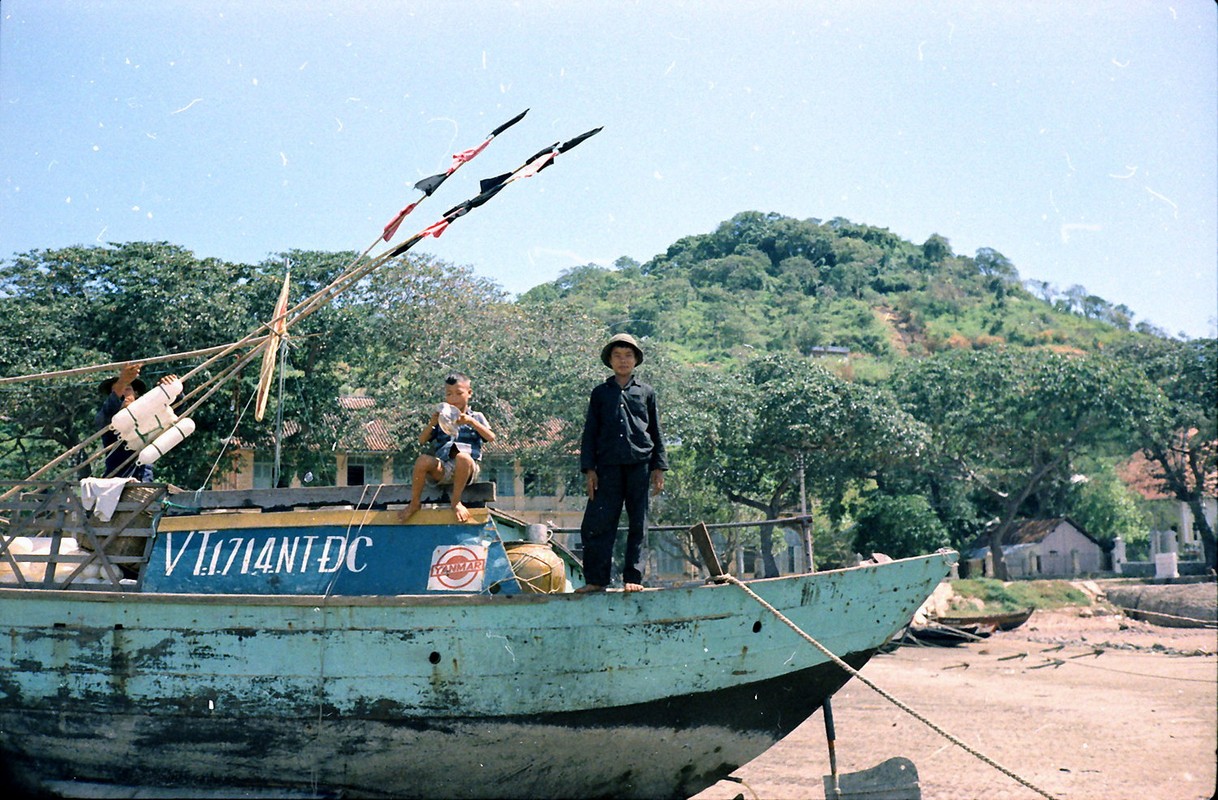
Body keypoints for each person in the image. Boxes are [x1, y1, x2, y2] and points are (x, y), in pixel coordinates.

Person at [577, 333, 667, 593]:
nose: (623, 360)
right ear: (610, 360)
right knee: (598, 523)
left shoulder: (646, 392)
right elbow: (590, 433)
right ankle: (596, 580)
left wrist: (658, 468)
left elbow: (656, 431)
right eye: (617, 355)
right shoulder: (600, 393)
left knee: (638, 523)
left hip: (640, 464)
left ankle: (634, 578)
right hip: (606, 468)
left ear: (636, 360)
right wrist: (589, 469)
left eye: (628, 355)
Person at [402, 372, 495, 523]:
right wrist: (433, 423)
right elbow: (422, 440)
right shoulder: (443, 417)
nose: (454, 399)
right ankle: (414, 503)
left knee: (462, 457)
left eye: (459, 394)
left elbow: (491, 437)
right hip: (444, 467)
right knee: (422, 460)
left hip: (467, 469)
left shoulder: (476, 416)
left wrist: (471, 422)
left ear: (469, 393)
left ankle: (456, 501)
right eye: (449, 394)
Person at [94, 363, 182, 481]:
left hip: (144, 479)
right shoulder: (109, 421)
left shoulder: (148, 414)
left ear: (135, 393)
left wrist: (171, 389)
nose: (123, 395)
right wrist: (123, 381)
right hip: (116, 479)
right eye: (118, 391)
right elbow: (109, 408)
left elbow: (173, 410)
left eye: (127, 389)